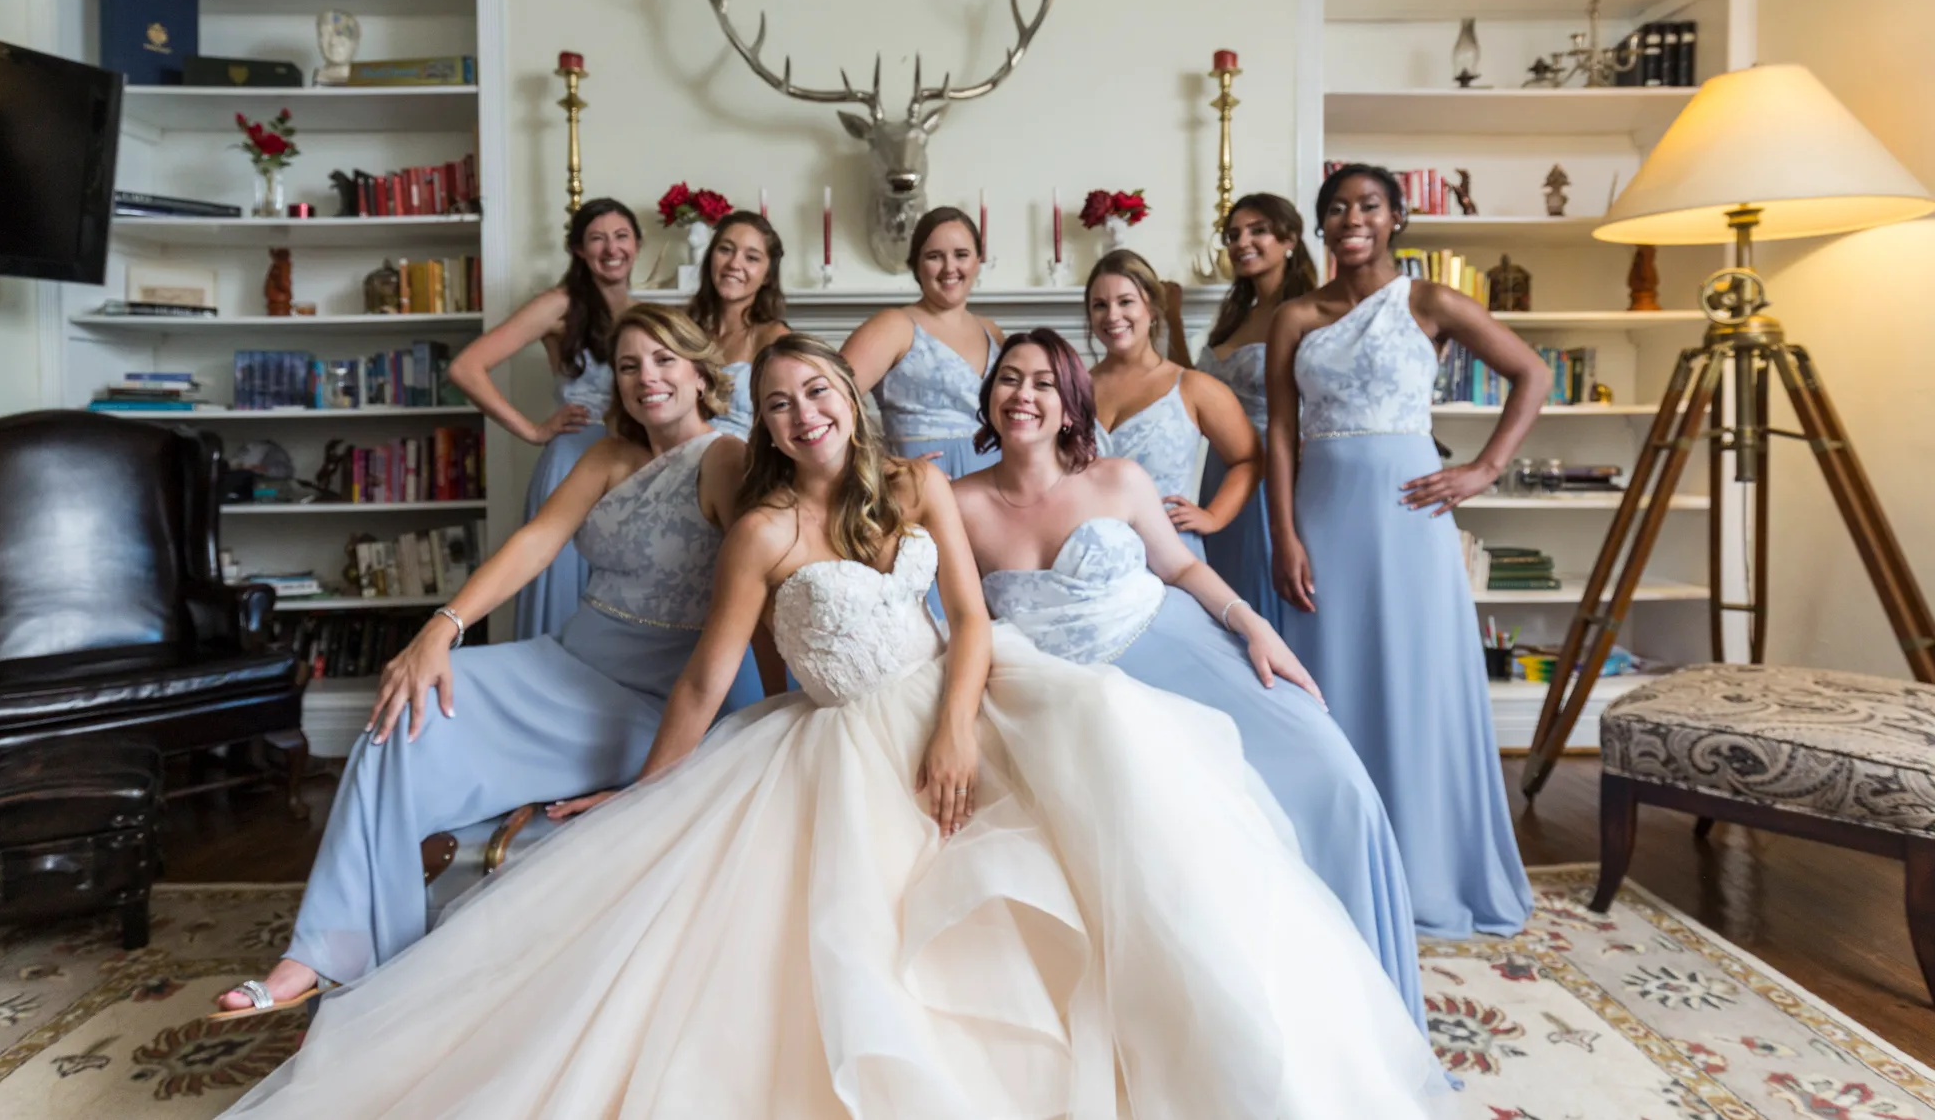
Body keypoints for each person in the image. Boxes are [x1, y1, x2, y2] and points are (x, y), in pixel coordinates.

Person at [222, 333, 1452, 1118]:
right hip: (829, 741)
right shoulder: (759, 530)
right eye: (778, 401)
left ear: (843, 398)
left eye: (816, 389)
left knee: (1132, 814)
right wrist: (641, 794)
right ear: (758, 425)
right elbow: (705, 684)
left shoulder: (917, 483)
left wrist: (958, 732)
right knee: (825, 947)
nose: (803, 410)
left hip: (971, 701)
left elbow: (969, 621)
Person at [212, 305, 767, 1019]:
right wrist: (441, 628)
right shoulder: (605, 455)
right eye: (629, 366)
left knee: (419, 714)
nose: (646, 378)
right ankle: (326, 955)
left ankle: (371, 989)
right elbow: (535, 542)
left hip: (645, 698)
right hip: (563, 662)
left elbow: (783, 557)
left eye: (663, 361)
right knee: (403, 710)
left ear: (700, 371)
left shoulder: (728, 459)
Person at [952, 327, 1426, 1028]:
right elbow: (959, 619)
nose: (1024, 395)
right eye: (1009, 379)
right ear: (989, 396)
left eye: (1044, 382)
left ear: (1072, 404)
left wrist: (1251, 625)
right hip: (1075, 699)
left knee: (1334, 779)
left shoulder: (1118, 479)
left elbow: (1179, 567)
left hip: (1175, 645)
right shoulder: (955, 503)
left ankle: (1369, 1009)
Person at [1266, 162, 1544, 938]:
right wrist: (1283, 532)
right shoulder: (1296, 317)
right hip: (1323, 515)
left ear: (1395, 219)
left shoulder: (1431, 301)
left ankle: (1429, 872)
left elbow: (1532, 371)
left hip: (1408, 516)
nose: (1353, 217)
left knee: (1415, 684)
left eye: (1369, 205)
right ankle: (1336, 866)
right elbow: (1281, 432)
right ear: (1321, 226)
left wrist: (1484, 469)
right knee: (1329, 687)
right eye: (1337, 208)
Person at [448, 197, 641, 640]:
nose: (611, 248)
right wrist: (533, 430)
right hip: (574, 459)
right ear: (577, 250)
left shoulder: (642, 311)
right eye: (597, 238)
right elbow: (465, 368)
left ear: (638, 243)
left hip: (628, 467)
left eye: (621, 236)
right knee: (563, 593)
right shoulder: (559, 304)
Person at [1193, 193, 1319, 625]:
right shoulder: (1235, 316)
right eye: (1232, 235)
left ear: (1289, 238)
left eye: (1257, 230)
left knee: (1266, 590)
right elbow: (1193, 387)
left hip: (1273, 466)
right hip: (1220, 469)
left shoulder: (1310, 312)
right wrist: (1170, 318)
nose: (1241, 242)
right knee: (1224, 594)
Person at [1085, 249, 1257, 562]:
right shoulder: (1073, 389)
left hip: (1168, 556)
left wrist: (1214, 516)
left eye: (1125, 302)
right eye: (1100, 305)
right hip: (1089, 556)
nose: (1112, 316)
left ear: (1151, 307)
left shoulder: (1193, 387)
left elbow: (1249, 459)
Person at [841, 206, 1005, 477]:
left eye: (961, 255)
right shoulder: (894, 325)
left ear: (978, 260)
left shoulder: (991, 331)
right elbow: (827, 403)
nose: (950, 267)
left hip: (995, 487)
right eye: (934, 257)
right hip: (919, 490)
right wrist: (878, 464)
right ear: (916, 264)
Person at [684, 210, 790, 439]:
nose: (734, 263)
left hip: (744, 461)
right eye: (725, 250)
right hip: (682, 451)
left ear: (768, 276)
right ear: (710, 257)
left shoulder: (773, 336)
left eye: (751, 258)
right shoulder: (686, 332)